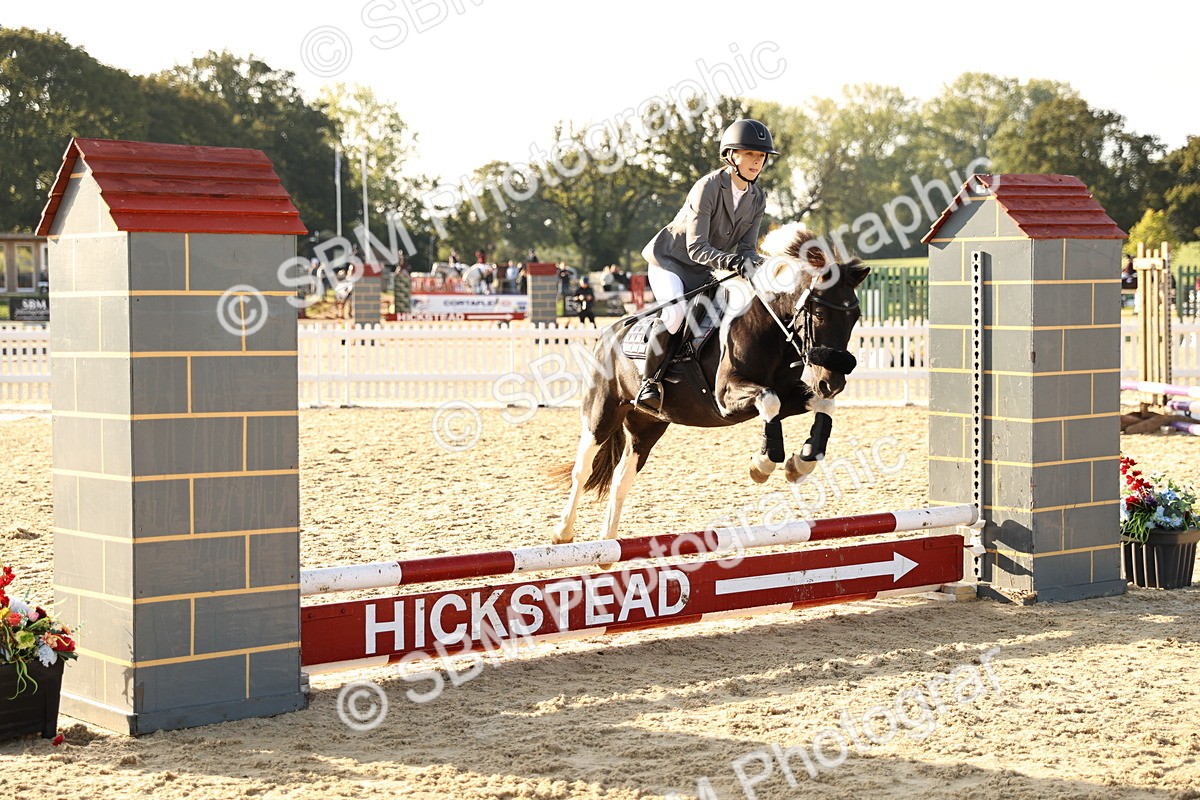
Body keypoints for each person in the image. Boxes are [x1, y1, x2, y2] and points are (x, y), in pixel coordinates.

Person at [635, 118, 778, 409]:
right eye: (749, 154)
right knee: (675, 316)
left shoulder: (758, 197)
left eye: (761, 156)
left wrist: (768, 265)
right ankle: (648, 383)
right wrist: (733, 262)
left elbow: (748, 249)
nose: (756, 161)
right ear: (731, 156)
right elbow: (697, 247)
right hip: (671, 262)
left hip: (707, 270)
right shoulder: (708, 187)